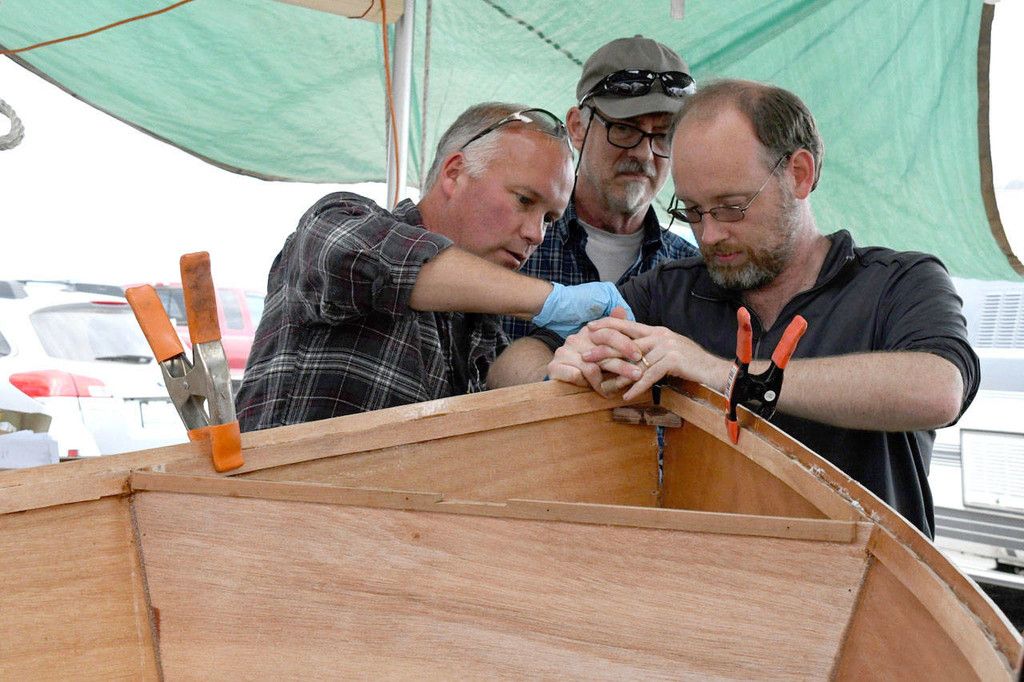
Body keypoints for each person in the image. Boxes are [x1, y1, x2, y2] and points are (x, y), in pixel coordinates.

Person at [491, 80, 980, 537]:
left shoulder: (897, 284)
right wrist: (560, 371)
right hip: (715, 599)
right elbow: (507, 368)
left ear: (800, 174)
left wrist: (727, 377)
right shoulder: (670, 291)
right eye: (693, 212)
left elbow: (938, 390)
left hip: (865, 599)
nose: (709, 235)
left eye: (731, 207)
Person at [236, 103, 632, 431]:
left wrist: (560, 379)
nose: (536, 234)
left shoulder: (479, 327)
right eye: (525, 201)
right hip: (273, 520)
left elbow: (503, 381)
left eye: (549, 219)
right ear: (454, 173)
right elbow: (370, 257)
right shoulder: (338, 223)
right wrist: (552, 300)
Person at [502, 35, 699, 343]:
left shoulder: (693, 275)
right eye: (623, 128)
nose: (644, 154)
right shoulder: (513, 245)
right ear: (577, 127)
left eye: (663, 136)